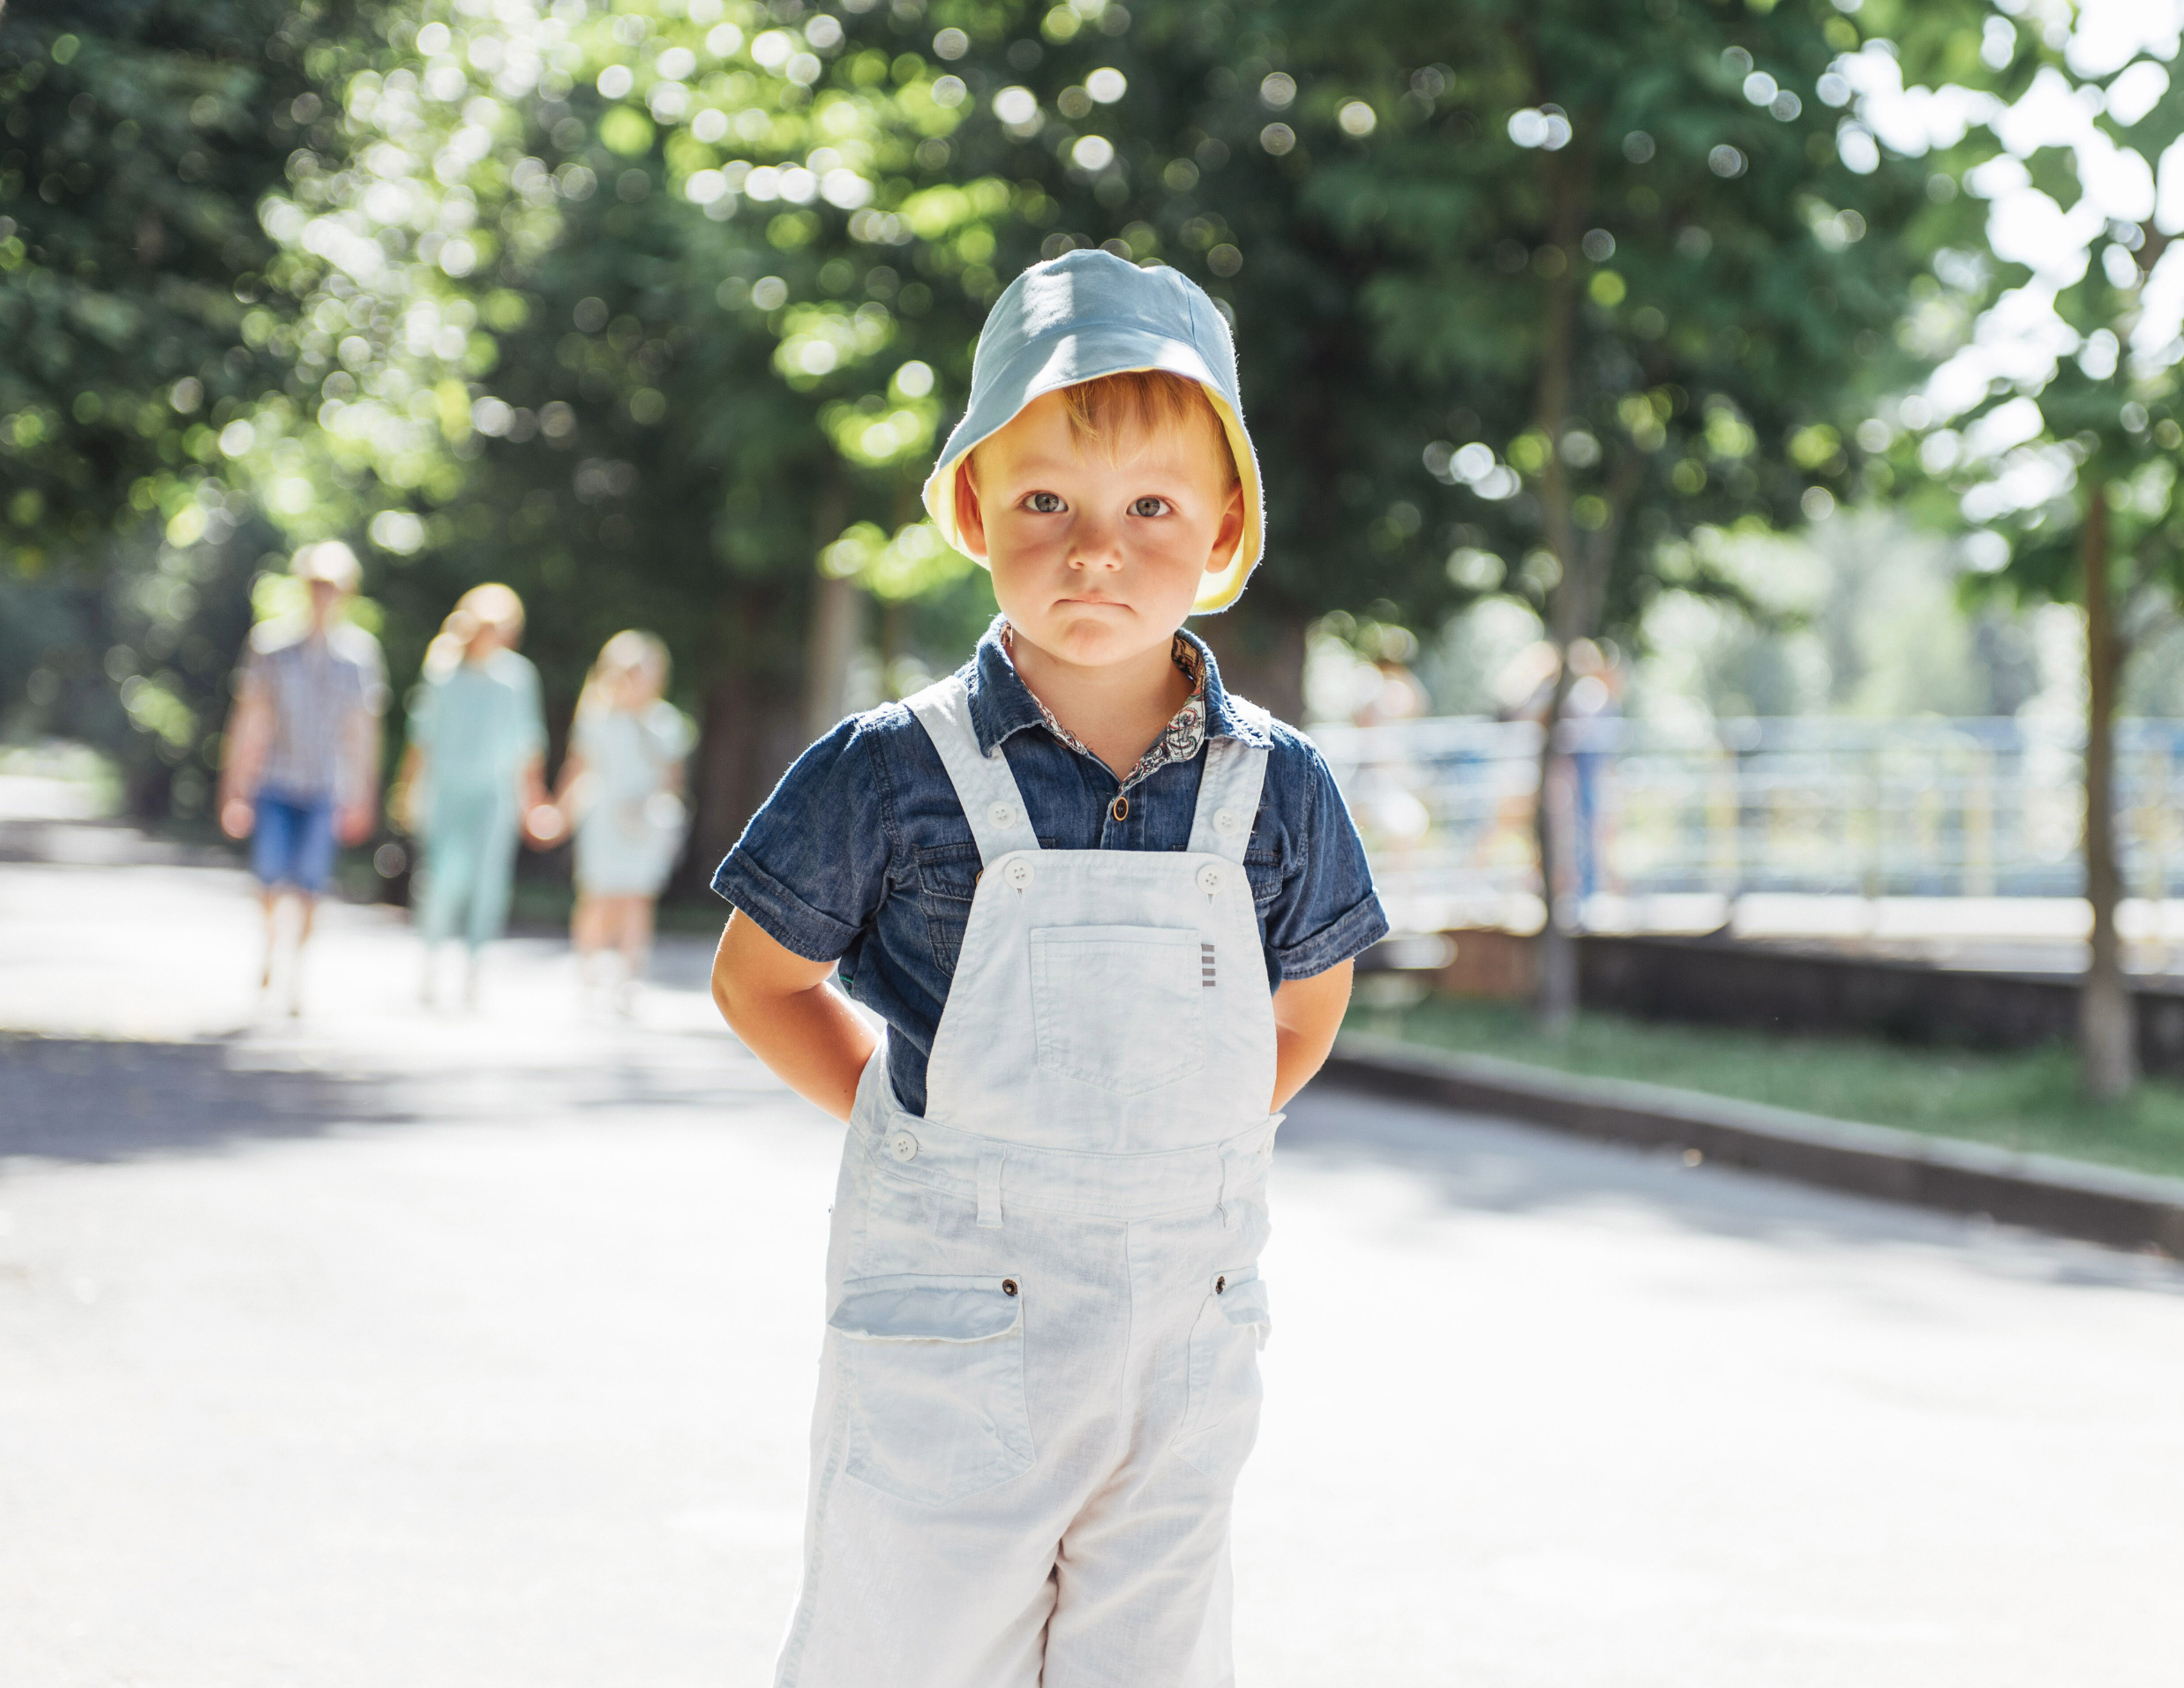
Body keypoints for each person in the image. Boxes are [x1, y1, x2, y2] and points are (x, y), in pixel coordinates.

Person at [709, 251, 1388, 1686]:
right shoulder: (888, 772)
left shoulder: (1283, 788)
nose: (1098, 551)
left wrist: (1188, 1133)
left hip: (1183, 1332)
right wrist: (924, 1144)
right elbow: (759, 980)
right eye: (1046, 503)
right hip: (951, 1315)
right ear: (971, 507)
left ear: (1224, 531)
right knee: (908, 1641)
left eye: (1152, 507)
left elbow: (1311, 997)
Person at [217, 540, 386, 1015]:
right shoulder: (270, 646)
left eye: (332, 587)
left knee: (310, 884)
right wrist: (234, 788)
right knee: (269, 878)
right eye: (316, 585)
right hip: (274, 780)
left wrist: (363, 794)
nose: (323, 595)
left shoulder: (359, 656)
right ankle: (271, 946)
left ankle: (296, 975)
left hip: (326, 787)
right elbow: (250, 719)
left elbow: (362, 732)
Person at [394, 583, 552, 1006]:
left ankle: (474, 968)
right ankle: (430, 960)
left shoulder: (518, 678)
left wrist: (534, 803)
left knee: (487, 882)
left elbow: (529, 746)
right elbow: (421, 739)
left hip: (495, 796)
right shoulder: (443, 673)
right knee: (442, 879)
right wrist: (406, 790)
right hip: (446, 792)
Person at [552, 629, 695, 1013]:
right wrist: (558, 815)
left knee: (636, 898)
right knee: (597, 896)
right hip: (602, 818)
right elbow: (578, 769)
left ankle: (628, 977)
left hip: (643, 822)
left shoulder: (665, 723)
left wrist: (652, 806)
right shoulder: (596, 719)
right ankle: (587, 969)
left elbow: (673, 779)